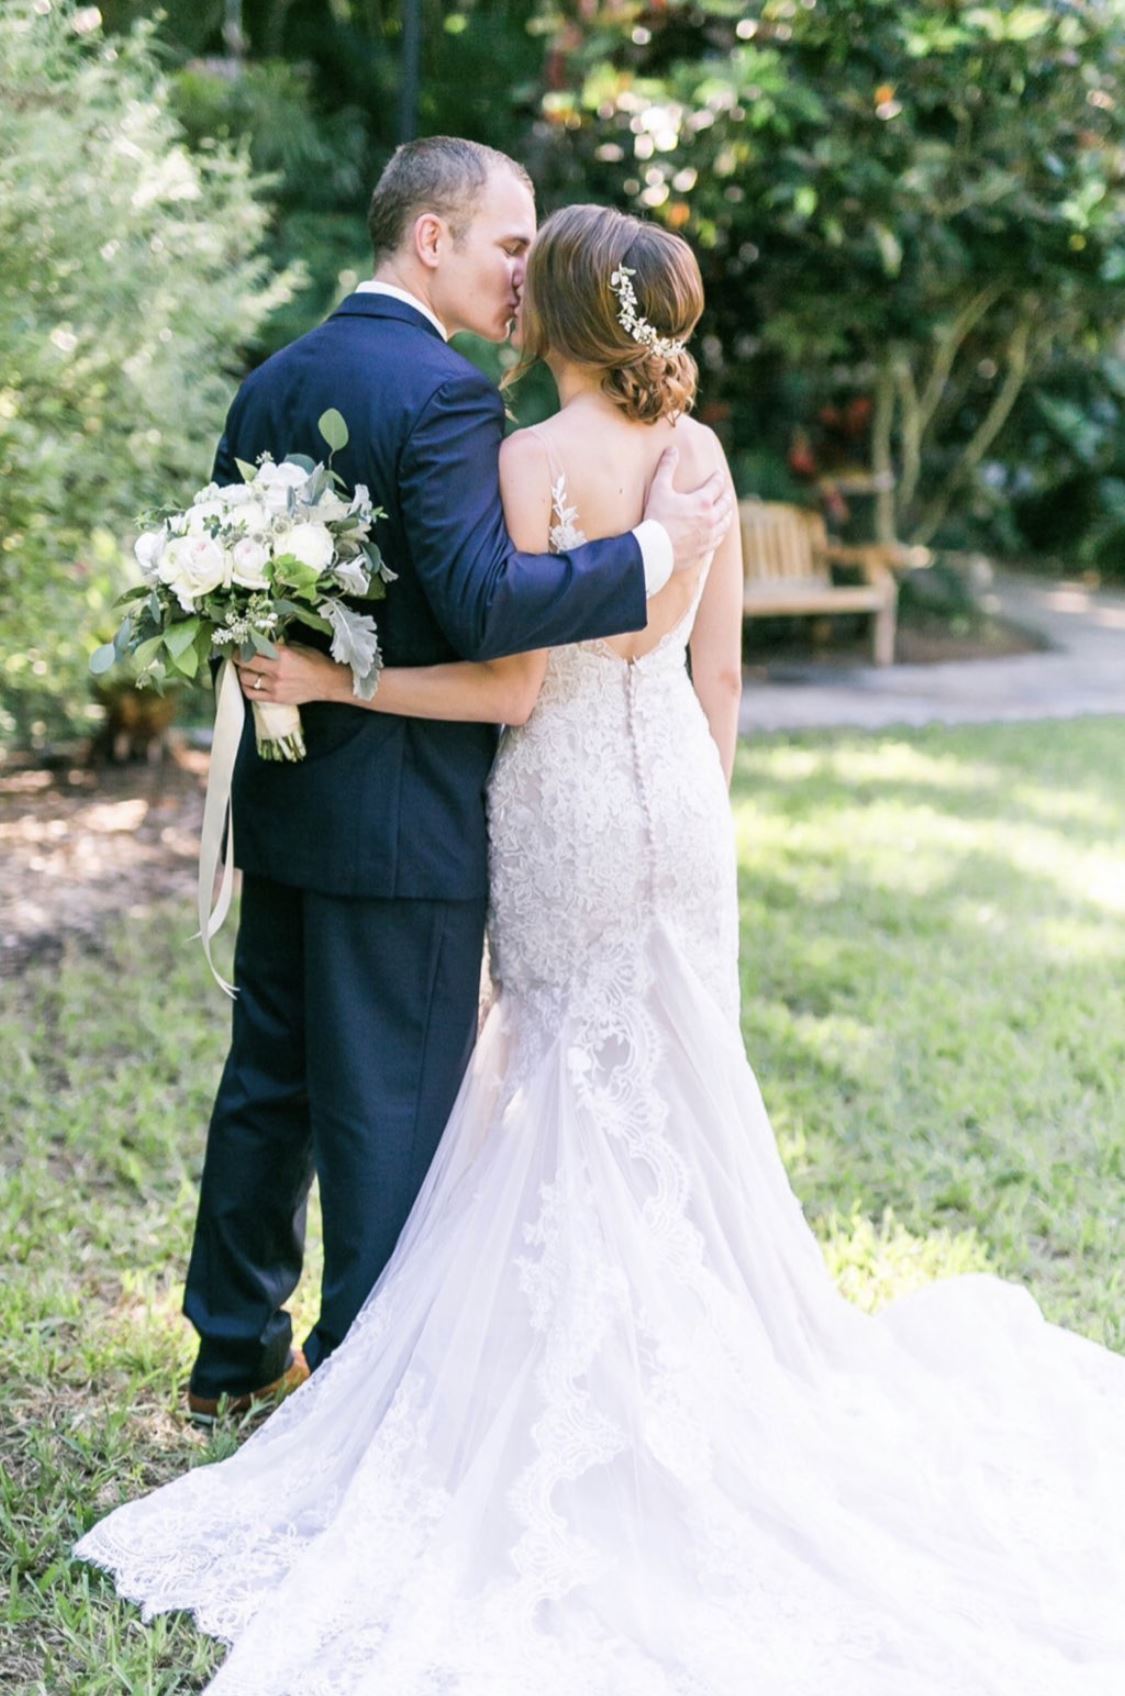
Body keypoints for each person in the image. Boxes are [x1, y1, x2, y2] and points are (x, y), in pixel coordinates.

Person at [77, 206, 1125, 1693]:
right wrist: (690, 809)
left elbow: (508, 691)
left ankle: (538, 1371)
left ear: (552, 315)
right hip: (677, 808)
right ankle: (712, 1369)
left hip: (559, 808)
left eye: (524, 274)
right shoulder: (700, 463)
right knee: (686, 1080)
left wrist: (335, 679)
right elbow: (722, 671)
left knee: (556, 1073)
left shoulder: (516, 463)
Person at [180, 137, 732, 1420]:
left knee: (267, 1081)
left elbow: (234, 589)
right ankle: (368, 1386)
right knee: (387, 1110)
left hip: (290, 796)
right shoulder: (445, 400)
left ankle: (229, 1354)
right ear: (431, 239)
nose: (519, 272)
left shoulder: (273, 379)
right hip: (409, 816)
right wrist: (657, 547)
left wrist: (295, 681)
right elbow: (487, 605)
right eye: (504, 243)